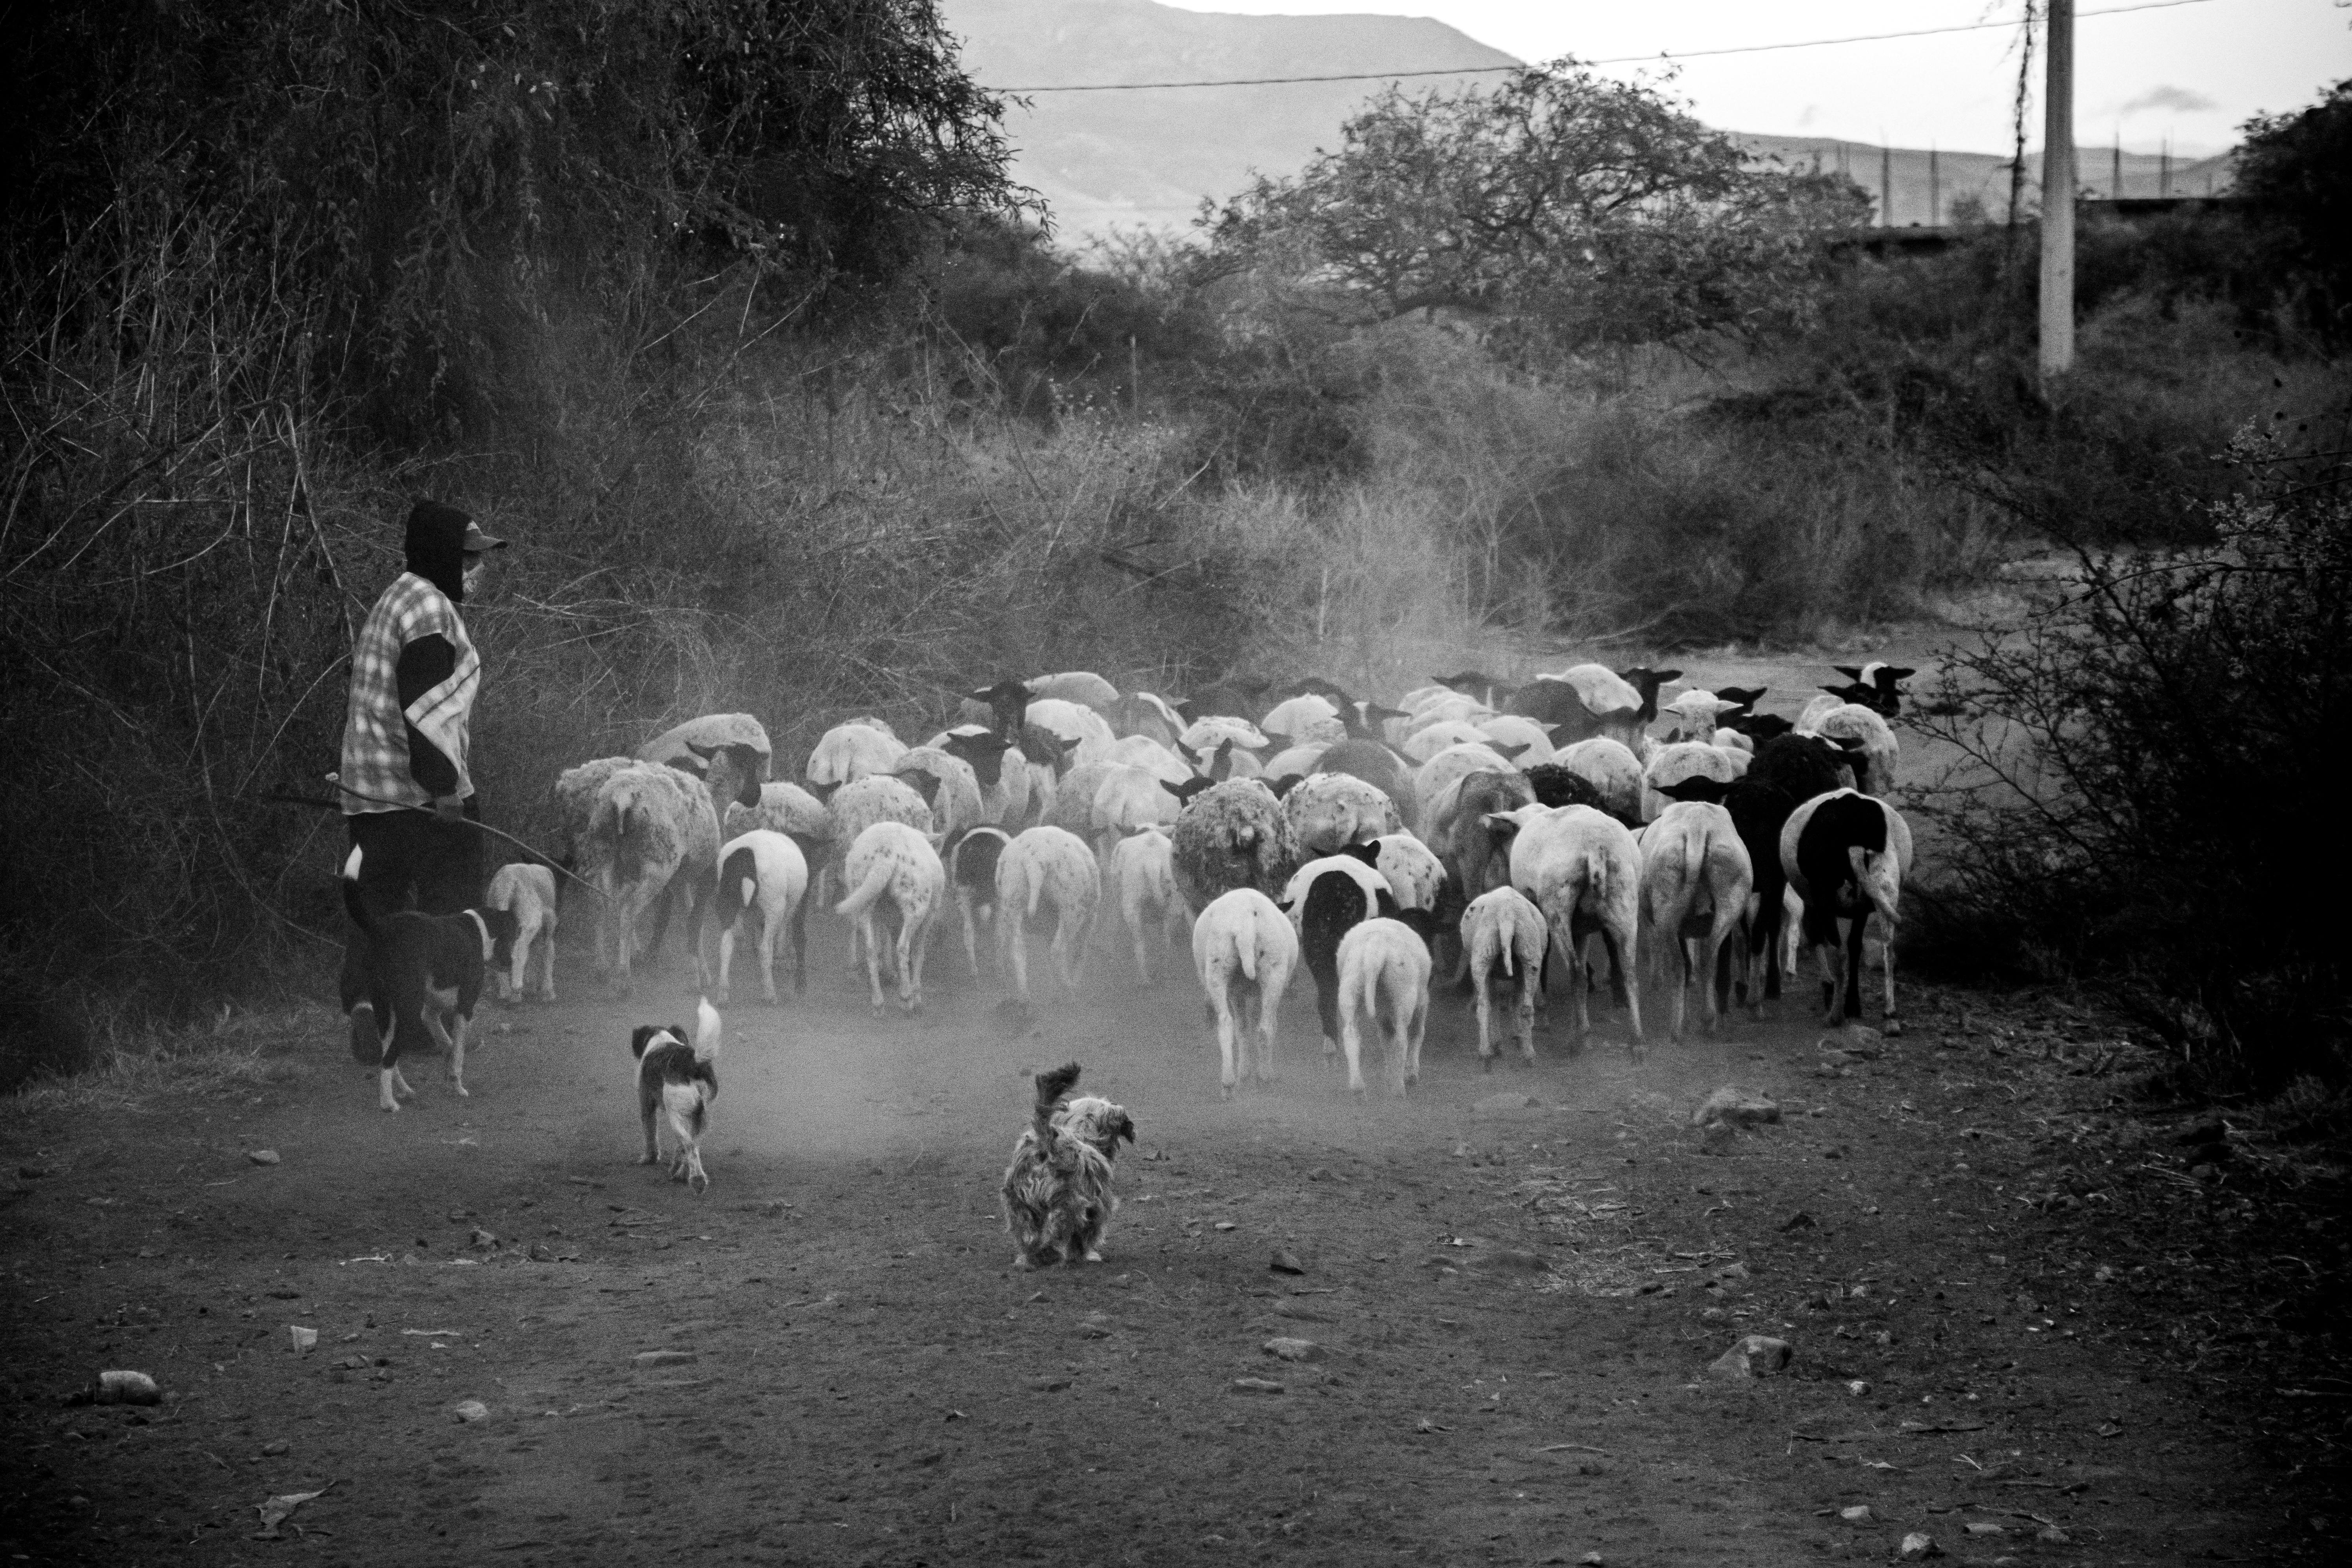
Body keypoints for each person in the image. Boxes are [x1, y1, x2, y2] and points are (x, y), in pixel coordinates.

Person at [336, 499, 506, 1060]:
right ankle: (432, 1018)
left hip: (367, 791)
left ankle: (368, 1004)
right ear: (441, 555)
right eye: (468, 558)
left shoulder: (395, 599)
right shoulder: (432, 613)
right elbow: (424, 710)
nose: (476, 570)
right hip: (418, 794)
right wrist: (445, 788)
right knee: (449, 906)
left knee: (376, 908)